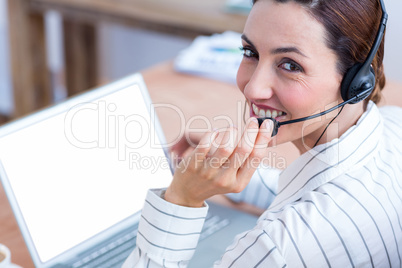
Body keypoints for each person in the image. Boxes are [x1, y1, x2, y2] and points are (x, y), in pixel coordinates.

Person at [124, 0, 402, 266]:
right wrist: (227, 167)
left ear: (356, 82)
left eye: (290, 65)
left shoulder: (276, 249)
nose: (253, 89)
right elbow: (309, 190)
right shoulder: (394, 125)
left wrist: (181, 200)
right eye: (250, 53)